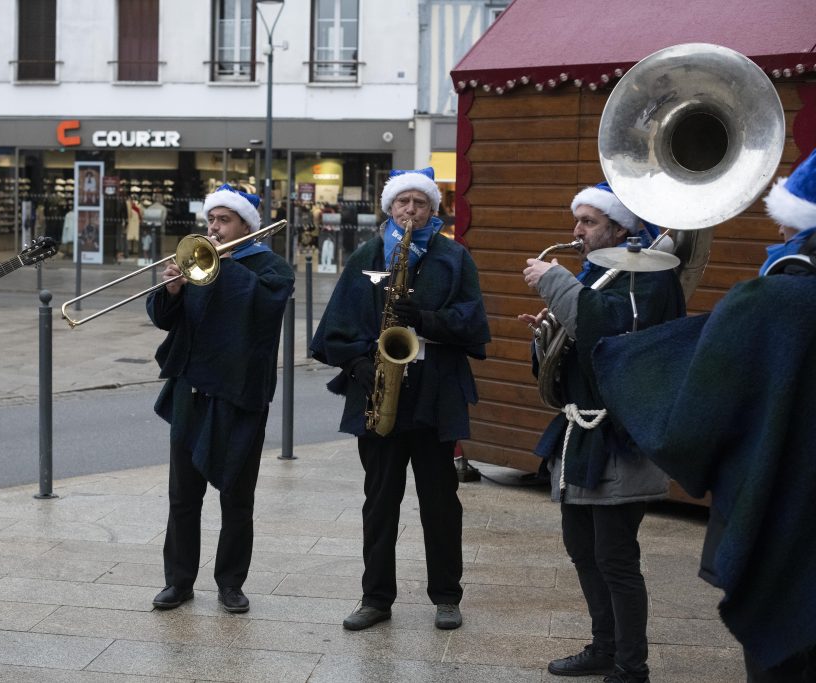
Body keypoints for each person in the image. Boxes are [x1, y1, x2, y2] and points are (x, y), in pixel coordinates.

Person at [593, 148, 816, 683]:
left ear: (795, 215)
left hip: (786, 532)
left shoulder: (769, 301)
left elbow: (687, 427)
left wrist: (628, 362)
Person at [310, 167, 491, 632]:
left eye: (420, 203)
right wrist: (358, 365)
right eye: (402, 202)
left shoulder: (453, 257)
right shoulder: (368, 254)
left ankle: (447, 596)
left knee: (440, 503)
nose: (410, 211)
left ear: (434, 209)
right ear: (389, 208)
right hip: (379, 392)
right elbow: (333, 330)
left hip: (434, 393)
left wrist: (427, 319)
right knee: (379, 501)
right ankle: (375, 598)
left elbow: (474, 326)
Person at [518, 182, 684, 683]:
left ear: (620, 227)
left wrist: (557, 284)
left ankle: (632, 667)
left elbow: (608, 332)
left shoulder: (648, 281)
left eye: (589, 221)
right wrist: (547, 334)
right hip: (581, 431)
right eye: (579, 220)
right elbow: (580, 349)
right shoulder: (602, 277)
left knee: (615, 557)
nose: (577, 231)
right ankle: (604, 647)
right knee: (582, 547)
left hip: (618, 435)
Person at [147, 184, 293, 614]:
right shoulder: (196, 263)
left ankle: (231, 583)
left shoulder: (273, 268)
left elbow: (263, 316)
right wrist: (171, 291)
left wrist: (225, 265)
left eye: (223, 220)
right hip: (190, 391)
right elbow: (163, 321)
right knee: (182, 496)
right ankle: (178, 582)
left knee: (237, 497)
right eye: (211, 220)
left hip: (239, 395)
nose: (213, 228)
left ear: (246, 226)